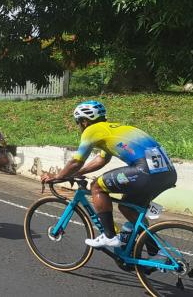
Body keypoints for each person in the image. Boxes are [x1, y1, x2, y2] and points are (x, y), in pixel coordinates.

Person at [41, 101, 177, 248]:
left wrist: (58, 176)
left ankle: (109, 236)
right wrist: (75, 174)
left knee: (97, 186)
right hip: (167, 173)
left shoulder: (91, 130)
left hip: (145, 171)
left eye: (78, 122)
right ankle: (157, 250)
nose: (79, 126)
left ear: (84, 121)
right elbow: (101, 160)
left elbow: (76, 161)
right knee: (128, 208)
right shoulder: (112, 129)